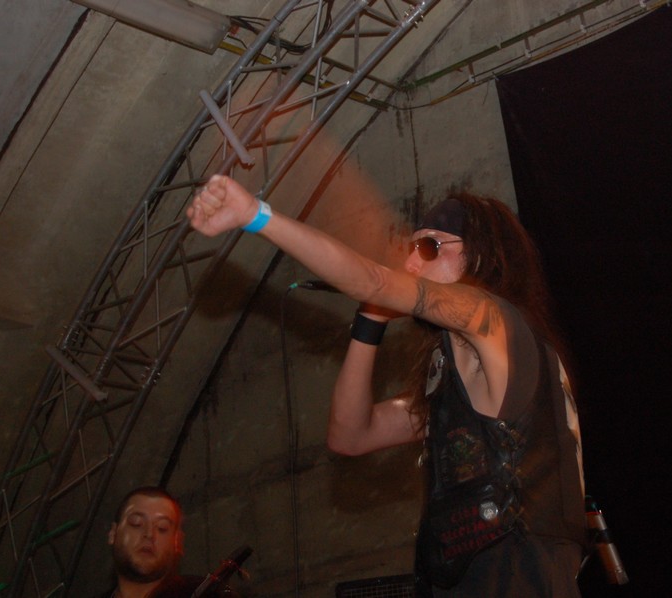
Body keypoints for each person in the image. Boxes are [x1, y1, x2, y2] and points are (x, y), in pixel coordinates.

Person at [188, 175, 587, 596]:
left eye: (429, 247)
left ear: (482, 254)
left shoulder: (495, 321)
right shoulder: (454, 376)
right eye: (410, 250)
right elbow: (350, 435)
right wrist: (370, 321)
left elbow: (375, 280)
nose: (411, 264)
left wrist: (255, 215)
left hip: (516, 575)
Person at [100, 486, 240, 598]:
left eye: (162, 528)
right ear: (113, 533)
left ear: (177, 542)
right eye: (136, 523)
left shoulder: (208, 594)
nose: (149, 534)